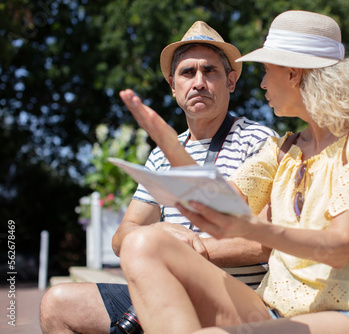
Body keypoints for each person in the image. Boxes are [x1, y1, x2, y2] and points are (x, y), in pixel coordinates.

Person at [116, 10, 349, 334]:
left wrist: (252, 228)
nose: (262, 82)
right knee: (141, 244)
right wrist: (173, 148)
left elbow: (338, 248)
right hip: (274, 311)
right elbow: (218, 202)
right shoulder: (284, 148)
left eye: (267, 70)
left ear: (294, 74)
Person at [40, 21, 277, 334]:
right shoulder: (161, 154)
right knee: (56, 304)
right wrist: (161, 233)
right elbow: (122, 234)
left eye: (211, 71)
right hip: (167, 291)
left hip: (236, 299)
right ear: (172, 85)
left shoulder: (259, 140)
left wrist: (180, 250)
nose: (199, 82)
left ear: (231, 81)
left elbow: (266, 243)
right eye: (187, 73)